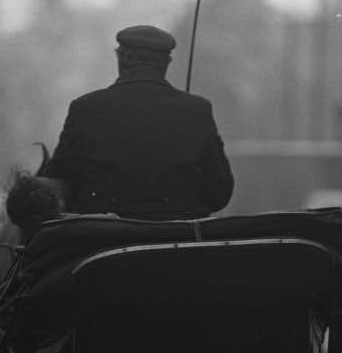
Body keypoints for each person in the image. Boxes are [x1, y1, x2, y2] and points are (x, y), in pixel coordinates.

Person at [41, 25, 234, 220]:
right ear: (166, 63)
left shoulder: (85, 108)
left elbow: (58, 184)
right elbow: (219, 192)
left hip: (102, 232)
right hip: (176, 231)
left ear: (121, 59)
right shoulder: (197, 110)